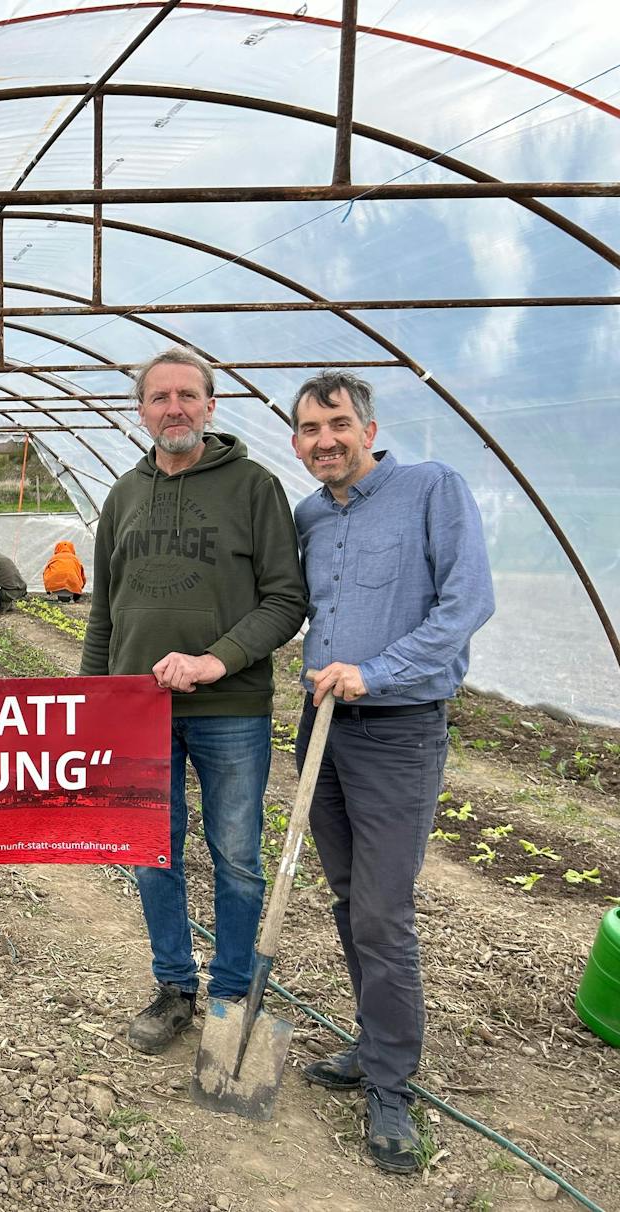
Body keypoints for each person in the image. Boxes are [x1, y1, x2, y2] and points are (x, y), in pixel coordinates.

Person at [290, 371, 494, 1174]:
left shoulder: (431, 489)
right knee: (349, 899)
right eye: (309, 429)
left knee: (383, 910)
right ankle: (373, 1045)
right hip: (322, 728)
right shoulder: (309, 515)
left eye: (337, 423)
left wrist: (376, 670)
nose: (324, 440)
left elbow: (467, 601)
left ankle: (392, 1086)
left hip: (398, 729)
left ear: (368, 426)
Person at [79, 347, 306, 1056]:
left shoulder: (253, 487)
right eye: (159, 397)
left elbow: (286, 599)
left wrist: (217, 660)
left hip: (231, 709)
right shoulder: (123, 495)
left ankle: (232, 995)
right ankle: (175, 987)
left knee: (236, 855)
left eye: (188, 396)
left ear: (211, 406)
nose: (173, 408)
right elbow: (104, 613)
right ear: (139, 411)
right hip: (141, 712)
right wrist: (94, 703)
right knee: (152, 854)